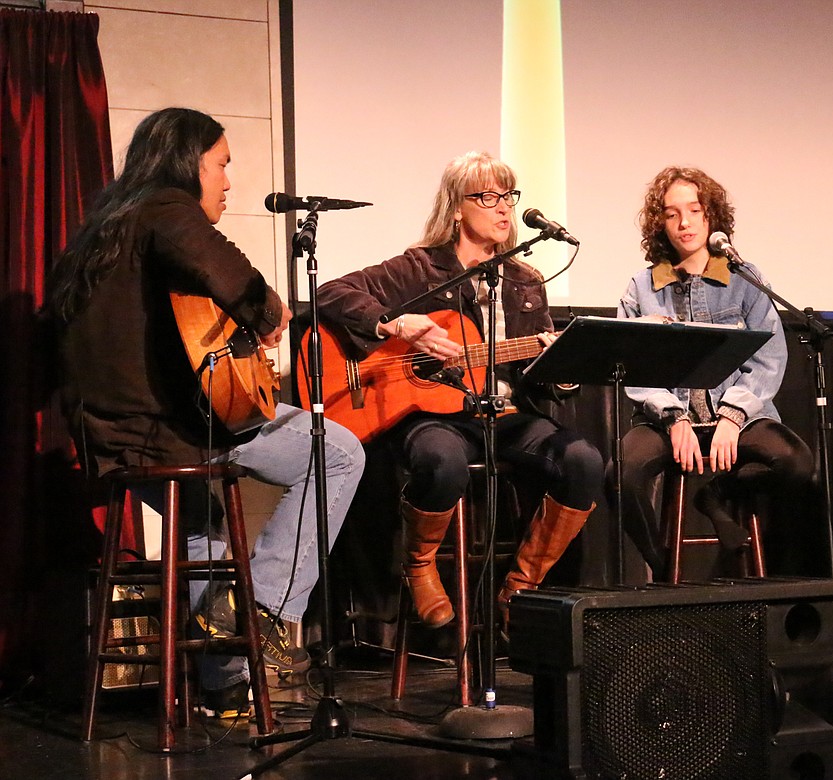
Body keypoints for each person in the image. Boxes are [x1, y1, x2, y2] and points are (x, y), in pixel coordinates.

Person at [45, 107, 366, 717]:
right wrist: (269, 313)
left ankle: (224, 689)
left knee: (207, 529)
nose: (227, 181)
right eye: (221, 165)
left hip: (116, 443)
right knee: (338, 451)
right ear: (187, 162)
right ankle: (262, 608)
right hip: (172, 431)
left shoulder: (99, 233)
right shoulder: (167, 210)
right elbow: (233, 277)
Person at [315, 151, 603, 630]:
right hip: (436, 414)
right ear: (455, 208)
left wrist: (565, 367)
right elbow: (332, 292)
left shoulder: (526, 281)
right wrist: (396, 323)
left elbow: (543, 376)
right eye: (488, 197)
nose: (504, 208)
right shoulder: (420, 268)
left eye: (509, 196)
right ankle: (419, 565)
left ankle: (523, 585)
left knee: (583, 460)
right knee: (442, 462)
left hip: (507, 413)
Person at [615, 166, 816, 581]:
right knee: (621, 473)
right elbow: (635, 368)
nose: (685, 223)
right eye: (672, 214)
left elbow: (769, 356)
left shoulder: (744, 280)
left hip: (738, 416)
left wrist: (732, 416)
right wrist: (675, 419)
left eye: (695, 210)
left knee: (795, 462)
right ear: (660, 223)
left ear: (712, 217)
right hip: (667, 419)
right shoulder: (640, 288)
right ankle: (664, 565)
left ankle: (717, 494)